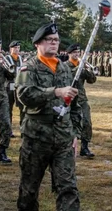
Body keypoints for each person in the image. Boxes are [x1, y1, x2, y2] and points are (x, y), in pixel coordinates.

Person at [15, 23, 81, 211]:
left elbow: (75, 104)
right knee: (29, 188)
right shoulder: (28, 67)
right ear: (38, 43)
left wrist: (75, 133)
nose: (54, 43)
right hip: (36, 137)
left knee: (68, 187)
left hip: (63, 138)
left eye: (56, 40)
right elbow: (24, 96)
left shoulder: (64, 68)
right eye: (49, 40)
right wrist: (56, 91)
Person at [66, 43, 97, 158]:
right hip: (69, 98)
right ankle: (68, 146)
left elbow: (92, 80)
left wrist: (89, 70)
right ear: (69, 53)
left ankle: (85, 147)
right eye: (74, 53)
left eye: (78, 53)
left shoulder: (82, 65)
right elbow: (68, 77)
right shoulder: (65, 66)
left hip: (82, 98)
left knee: (87, 123)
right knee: (69, 123)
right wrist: (78, 68)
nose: (77, 55)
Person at [5, 40, 23, 134]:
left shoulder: (20, 58)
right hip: (10, 85)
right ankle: (9, 129)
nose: (17, 49)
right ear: (10, 49)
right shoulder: (7, 58)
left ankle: (22, 127)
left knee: (22, 107)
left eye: (18, 48)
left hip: (19, 85)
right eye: (15, 48)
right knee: (9, 107)